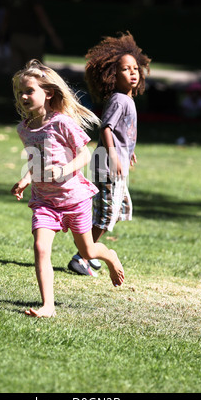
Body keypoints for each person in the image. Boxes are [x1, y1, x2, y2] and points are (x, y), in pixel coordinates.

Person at [11, 59, 125, 318]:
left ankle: (109, 256)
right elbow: (36, 161)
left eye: (30, 90)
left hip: (74, 199)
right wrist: (26, 179)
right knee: (40, 248)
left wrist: (63, 171)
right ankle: (48, 306)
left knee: (87, 251)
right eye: (21, 92)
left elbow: (84, 154)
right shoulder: (24, 129)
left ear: (48, 92)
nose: (24, 96)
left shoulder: (62, 123)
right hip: (45, 202)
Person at [68, 32, 151, 276]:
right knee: (105, 214)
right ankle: (82, 256)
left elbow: (123, 133)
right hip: (107, 164)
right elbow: (106, 127)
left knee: (113, 211)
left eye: (135, 68)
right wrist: (114, 155)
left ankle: (88, 253)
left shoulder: (128, 99)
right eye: (126, 69)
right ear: (112, 75)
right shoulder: (118, 100)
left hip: (116, 162)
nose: (133, 73)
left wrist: (129, 152)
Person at [2, 0, 62, 74]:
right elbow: (40, 14)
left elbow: (7, 14)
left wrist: (3, 34)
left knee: (17, 74)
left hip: (15, 35)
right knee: (35, 73)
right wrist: (53, 35)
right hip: (32, 36)